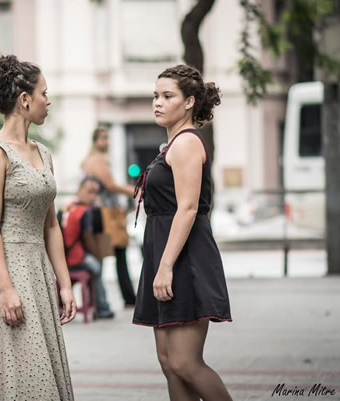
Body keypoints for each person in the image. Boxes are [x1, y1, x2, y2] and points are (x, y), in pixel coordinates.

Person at [0, 54, 76, 401]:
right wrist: (5, 288)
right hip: (7, 269)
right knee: (15, 368)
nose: (48, 100)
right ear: (24, 100)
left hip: (38, 270)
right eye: (44, 93)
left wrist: (66, 283)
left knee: (40, 368)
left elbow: (52, 226)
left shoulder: (43, 152)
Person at [132, 64, 232, 401]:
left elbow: (188, 209)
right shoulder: (171, 145)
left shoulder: (187, 143)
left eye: (167, 96)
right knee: (168, 361)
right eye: (155, 96)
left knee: (186, 362)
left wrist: (165, 266)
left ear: (189, 102)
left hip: (183, 258)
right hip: (165, 252)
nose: (157, 103)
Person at [82, 126, 137, 306]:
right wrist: (135, 191)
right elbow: (111, 185)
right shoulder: (96, 160)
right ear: (95, 141)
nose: (106, 142)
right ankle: (118, 299)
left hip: (106, 212)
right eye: (103, 138)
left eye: (107, 138)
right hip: (105, 214)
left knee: (105, 257)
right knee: (113, 255)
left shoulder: (98, 160)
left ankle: (102, 302)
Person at [61, 177, 114, 319]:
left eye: (95, 193)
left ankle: (62, 303)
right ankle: (102, 308)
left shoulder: (66, 208)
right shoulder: (86, 211)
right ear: (79, 191)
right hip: (76, 257)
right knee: (97, 267)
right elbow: (88, 238)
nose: (93, 196)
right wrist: (96, 255)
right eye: (90, 192)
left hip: (63, 257)